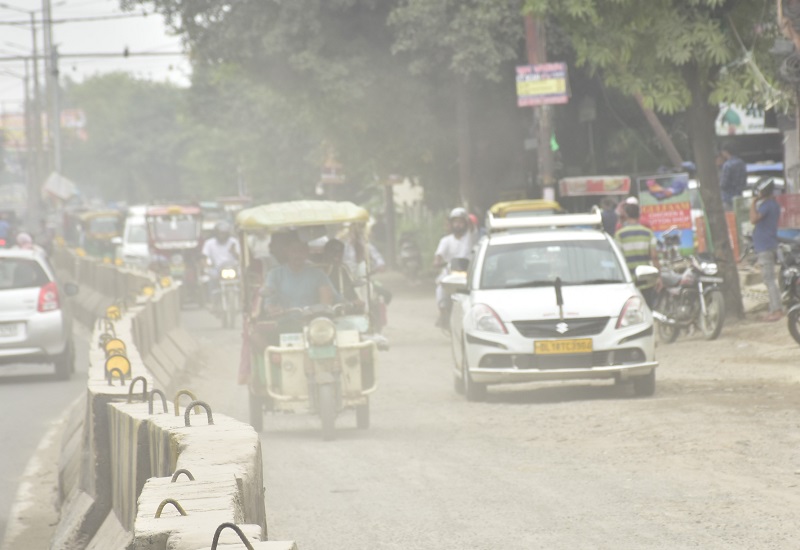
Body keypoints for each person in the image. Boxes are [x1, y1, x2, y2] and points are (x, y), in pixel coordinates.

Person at [261, 231, 340, 315]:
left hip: (314, 322)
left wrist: (352, 303)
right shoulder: (274, 274)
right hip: (285, 322)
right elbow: (269, 302)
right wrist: (272, 309)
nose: (298, 255)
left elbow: (334, 298)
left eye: (301, 251)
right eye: (294, 251)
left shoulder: (319, 274)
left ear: (307, 252)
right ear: (287, 252)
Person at [434, 207, 476, 327]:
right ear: (451, 224)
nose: (458, 225)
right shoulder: (445, 240)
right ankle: (443, 312)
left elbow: (472, 228)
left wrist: (468, 218)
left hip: (467, 272)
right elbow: (439, 255)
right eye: (455, 222)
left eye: (461, 222)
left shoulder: (470, 237)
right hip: (449, 273)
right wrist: (437, 262)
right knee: (440, 288)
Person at [615, 203, 661, 308]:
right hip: (646, 280)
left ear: (626, 215)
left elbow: (618, 258)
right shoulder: (648, 233)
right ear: (639, 215)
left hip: (629, 281)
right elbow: (654, 256)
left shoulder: (620, 235)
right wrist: (659, 277)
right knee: (648, 310)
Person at [749, 178, 783, 322]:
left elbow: (753, 219)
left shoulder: (767, 205)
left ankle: (776, 310)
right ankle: (774, 308)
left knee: (769, 279)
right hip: (769, 244)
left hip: (765, 246)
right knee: (770, 279)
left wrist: (753, 202)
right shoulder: (773, 204)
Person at [719, 145, 747, 210]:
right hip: (739, 197)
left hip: (728, 198)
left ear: (726, 152)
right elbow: (744, 181)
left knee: (729, 218)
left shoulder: (727, 165)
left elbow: (723, 184)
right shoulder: (741, 163)